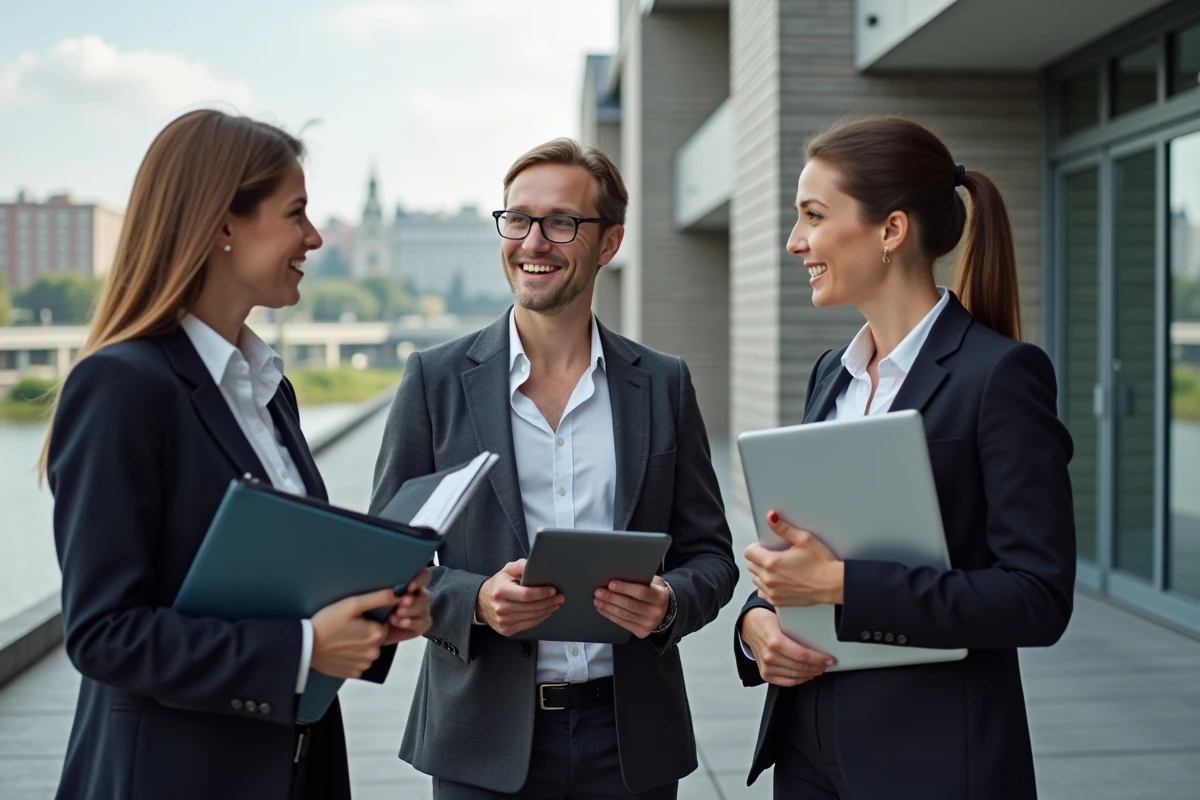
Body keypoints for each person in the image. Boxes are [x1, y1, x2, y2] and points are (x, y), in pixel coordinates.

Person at [42, 109, 432, 800]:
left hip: (297, 769)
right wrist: (304, 650)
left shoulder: (268, 390)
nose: (314, 237)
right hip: (173, 777)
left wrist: (375, 611)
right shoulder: (122, 387)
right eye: (297, 213)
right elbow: (104, 633)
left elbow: (277, 585)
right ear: (222, 225)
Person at [369, 138, 738, 799]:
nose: (533, 242)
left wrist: (668, 605)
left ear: (610, 241)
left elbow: (711, 554)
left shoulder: (662, 383)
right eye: (518, 219)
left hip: (630, 743)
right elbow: (382, 561)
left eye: (561, 222)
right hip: (480, 743)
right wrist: (476, 602)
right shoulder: (434, 380)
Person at [733, 116, 1076, 799]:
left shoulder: (1000, 376)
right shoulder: (832, 372)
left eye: (813, 216)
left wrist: (840, 586)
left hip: (934, 758)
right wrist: (756, 622)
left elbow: (1037, 598)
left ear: (890, 230)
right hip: (807, 751)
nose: (795, 241)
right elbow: (812, 546)